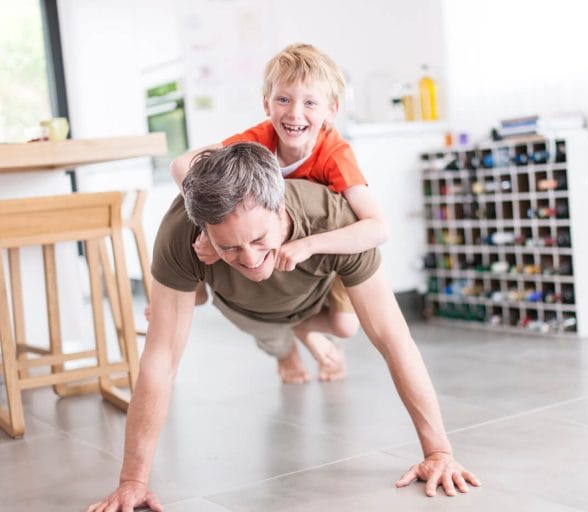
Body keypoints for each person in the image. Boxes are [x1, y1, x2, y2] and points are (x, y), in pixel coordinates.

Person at [87, 143, 480, 511]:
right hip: (245, 305)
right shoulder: (180, 233)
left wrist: (438, 452)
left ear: (280, 208)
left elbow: (395, 339)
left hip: (313, 293)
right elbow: (160, 360)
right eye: (229, 247)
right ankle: (281, 336)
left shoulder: (333, 217)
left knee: (349, 325)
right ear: (204, 231)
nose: (252, 258)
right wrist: (132, 480)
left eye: (260, 239)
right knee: (200, 319)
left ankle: (303, 328)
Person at [169, 43, 387, 384]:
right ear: (266, 103)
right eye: (283, 99)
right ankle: (192, 297)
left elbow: (378, 228)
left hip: (320, 250)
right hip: (270, 250)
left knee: (345, 326)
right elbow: (182, 164)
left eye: (310, 102)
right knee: (220, 260)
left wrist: (310, 245)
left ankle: (302, 328)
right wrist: (207, 231)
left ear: (331, 110)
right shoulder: (257, 142)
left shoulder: (335, 154)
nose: (294, 114)